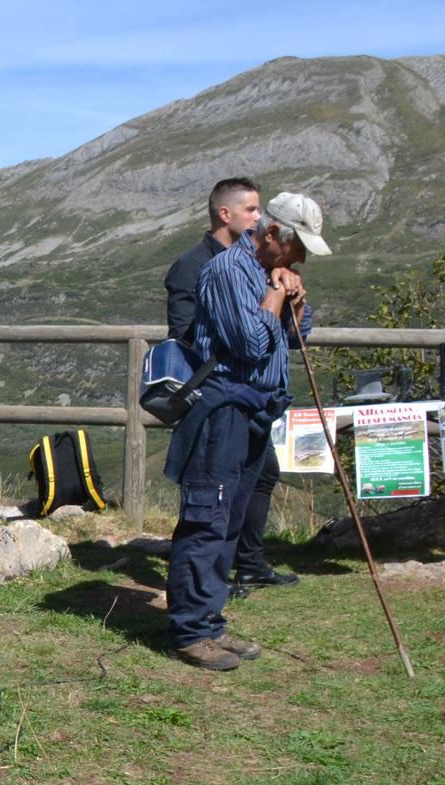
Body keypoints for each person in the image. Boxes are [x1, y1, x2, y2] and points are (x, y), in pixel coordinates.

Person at [164, 191, 331, 671]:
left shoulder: (268, 273)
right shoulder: (226, 272)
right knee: (207, 517)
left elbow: (297, 338)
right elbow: (252, 343)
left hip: (259, 410)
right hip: (224, 411)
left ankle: (211, 622)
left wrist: (296, 301)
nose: (300, 258)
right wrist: (277, 294)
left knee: (232, 520)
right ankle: (191, 631)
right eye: (297, 247)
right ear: (274, 234)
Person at [164, 177, 297, 593]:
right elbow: (190, 333)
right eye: (253, 210)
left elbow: (279, 335)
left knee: (253, 481)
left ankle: (242, 565)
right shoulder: (198, 266)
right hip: (222, 396)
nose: (260, 218)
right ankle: (219, 581)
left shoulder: (257, 266)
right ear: (226, 214)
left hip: (252, 399)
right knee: (216, 499)